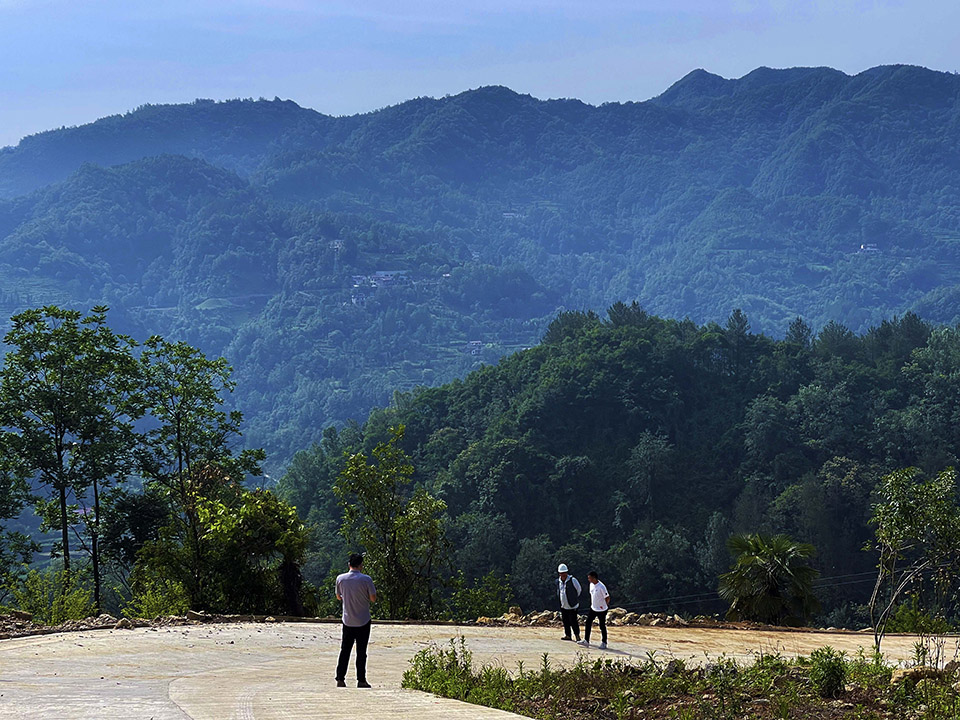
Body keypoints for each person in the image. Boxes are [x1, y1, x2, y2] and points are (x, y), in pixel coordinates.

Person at [335, 553, 377, 688]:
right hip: (363, 619)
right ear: (361, 565)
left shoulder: (340, 579)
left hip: (347, 620)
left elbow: (338, 596)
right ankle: (361, 680)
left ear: (349, 564)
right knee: (361, 652)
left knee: (345, 650)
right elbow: (373, 598)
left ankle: (340, 678)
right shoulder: (366, 579)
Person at [579, 570, 610, 649]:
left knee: (602, 626)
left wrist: (604, 606)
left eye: (590, 578)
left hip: (601, 610)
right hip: (593, 608)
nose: (589, 580)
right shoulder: (591, 585)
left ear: (594, 578)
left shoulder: (601, 587)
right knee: (588, 622)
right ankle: (586, 640)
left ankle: (604, 642)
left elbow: (607, 597)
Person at [556, 563, 581, 642]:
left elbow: (579, 590)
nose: (563, 575)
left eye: (564, 573)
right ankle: (568, 635)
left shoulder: (572, 580)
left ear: (567, 572)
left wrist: (573, 598)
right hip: (563, 605)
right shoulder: (558, 581)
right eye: (561, 573)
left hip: (572, 605)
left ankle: (577, 636)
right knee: (565, 621)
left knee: (573, 621)